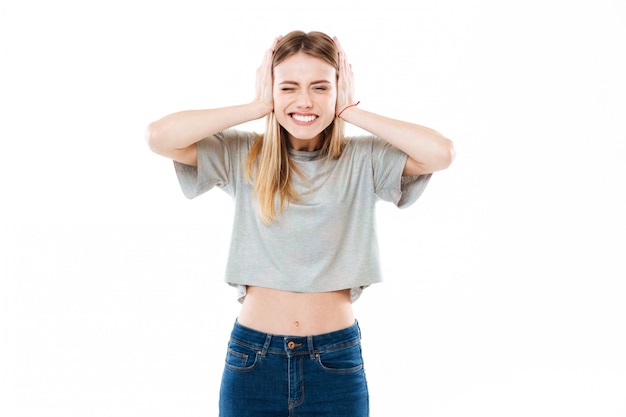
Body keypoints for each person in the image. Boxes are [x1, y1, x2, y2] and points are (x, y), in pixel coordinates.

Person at [146, 30, 454, 417]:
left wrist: (351, 109)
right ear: (271, 89)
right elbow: (159, 137)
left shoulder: (364, 159)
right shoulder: (243, 153)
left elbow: (440, 153)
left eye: (321, 87)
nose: (305, 101)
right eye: (288, 87)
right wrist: (257, 105)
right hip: (252, 361)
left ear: (338, 90)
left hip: (335, 362)